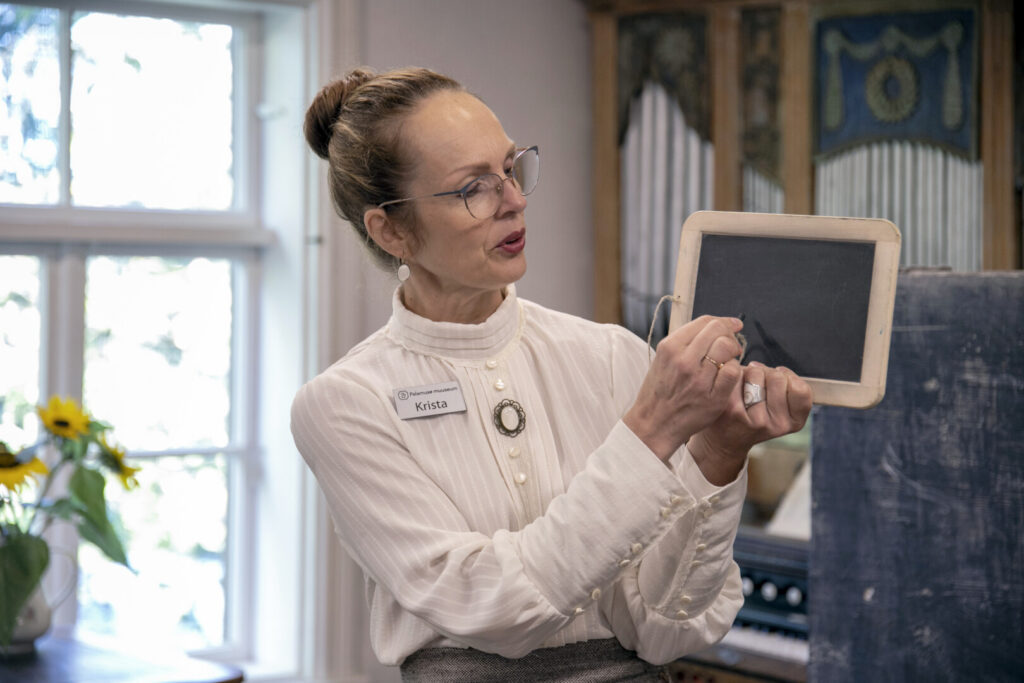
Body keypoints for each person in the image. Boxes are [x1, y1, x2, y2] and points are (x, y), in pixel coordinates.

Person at [291, 66, 812, 682]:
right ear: (392, 230)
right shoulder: (346, 404)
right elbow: (496, 607)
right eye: (474, 188)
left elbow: (666, 628)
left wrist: (720, 453)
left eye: (511, 169)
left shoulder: (612, 355)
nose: (515, 200)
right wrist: (650, 431)